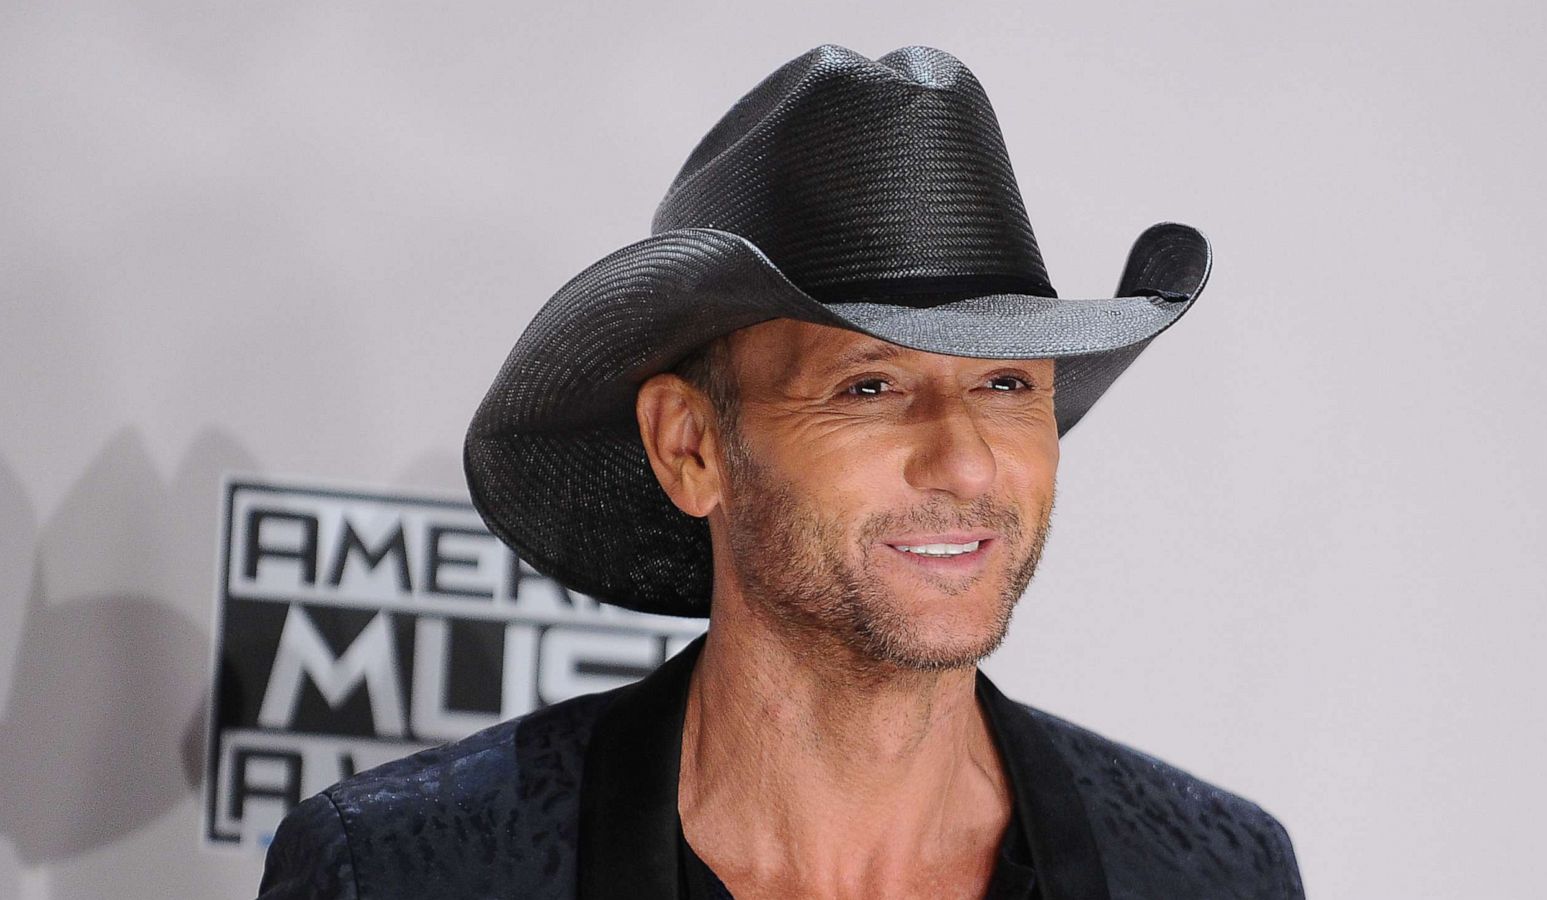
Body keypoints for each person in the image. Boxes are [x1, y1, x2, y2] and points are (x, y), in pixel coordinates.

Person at [258, 44, 1304, 899]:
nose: (965, 457)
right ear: (691, 447)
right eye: (868, 387)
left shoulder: (1210, 874)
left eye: (1005, 385)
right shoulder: (403, 873)